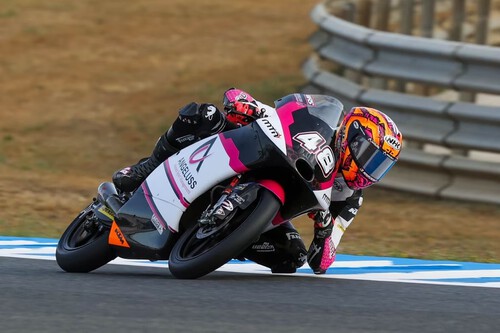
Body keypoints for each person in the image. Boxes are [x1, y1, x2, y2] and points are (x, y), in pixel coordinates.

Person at [112, 88, 403, 274]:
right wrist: (249, 104)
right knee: (204, 115)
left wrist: (325, 231)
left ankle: (225, 241)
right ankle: (146, 169)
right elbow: (276, 114)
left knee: (292, 257)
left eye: (380, 165)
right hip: (250, 152)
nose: (369, 168)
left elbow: (322, 261)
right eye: (369, 155)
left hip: (273, 206)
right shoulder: (321, 126)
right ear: (350, 135)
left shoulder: (350, 197)